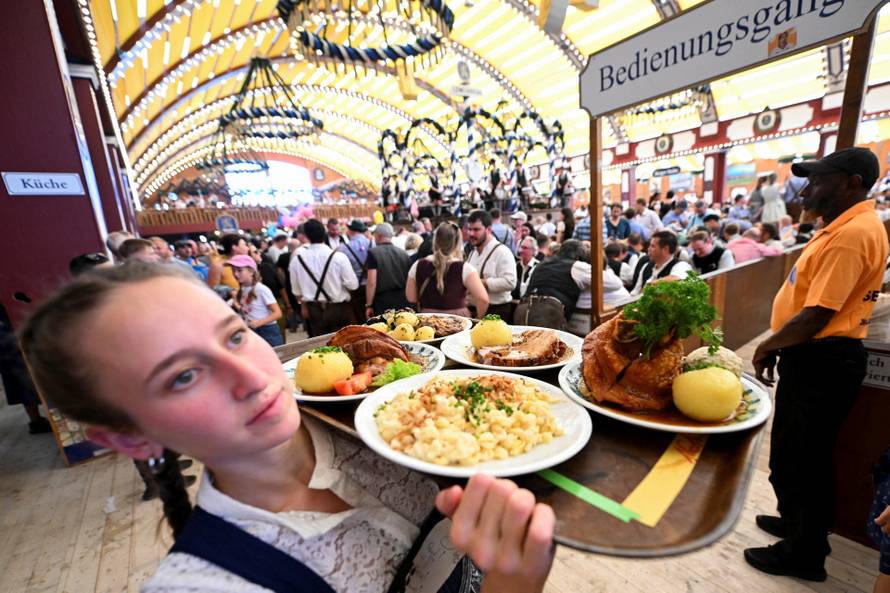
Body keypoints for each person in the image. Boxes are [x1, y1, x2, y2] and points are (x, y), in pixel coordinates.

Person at [19, 263, 556, 593]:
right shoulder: (211, 584)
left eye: (233, 337)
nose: (251, 375)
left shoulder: (385, 416)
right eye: (183, 376)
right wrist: (515, 584)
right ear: (129, 439)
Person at [745, 147, 889, 582]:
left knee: (802, 459)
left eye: (819, 180)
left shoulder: (852, 234)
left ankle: (803, 554)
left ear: (851, 183)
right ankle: (797, 525)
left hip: (822, 359)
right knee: (797, 454)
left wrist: (768, 345)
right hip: (818, 358)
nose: (807, 189)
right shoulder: (846, 227)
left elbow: (817, 314)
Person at [288, 219, 358, 337]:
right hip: (339, 309)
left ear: (306, 235)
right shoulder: (339, 257)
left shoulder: (296, 260)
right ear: (324, 232)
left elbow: (297, 292)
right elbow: (353, 285)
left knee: (321, 350)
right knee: (344, 347)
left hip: (314, 311)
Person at [407, 222, 488, 317]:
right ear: (457, 242)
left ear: (435, 240)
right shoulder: (465, 268)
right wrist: (478, 320)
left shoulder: (418, 265)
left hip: (428, 319)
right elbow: (483, 299)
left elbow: (411, 297)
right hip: (459, 321)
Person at [516, 240, 590, 331]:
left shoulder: (541, 264)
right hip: (547, 313)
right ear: (578, 257)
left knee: (523, 344)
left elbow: (524, 289)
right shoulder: (577, 266)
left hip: (522, 308)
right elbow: (610, 281)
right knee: (547, 344)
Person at [465, 210, 517, 320]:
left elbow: (510, 282)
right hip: (474, 310)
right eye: (469, 229)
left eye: (476, 229)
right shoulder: (473, 252)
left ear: (489, 229)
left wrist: (483, 283)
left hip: (497, 312)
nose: (471, 234)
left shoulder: (503, 252)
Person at [227, 255, 283, 347]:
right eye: (233, 270)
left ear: (251, 271)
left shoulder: (261, 289)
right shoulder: (243, 289)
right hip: (253, 330)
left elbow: (277, 313)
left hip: (267, 331)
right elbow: (250, 309)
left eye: (239, 270)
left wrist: (258, 323)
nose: (235, 274)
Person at [365, 223, 411, 317]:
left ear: (379, 235)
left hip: (383, 302)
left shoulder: (373, 253)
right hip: (403, 299)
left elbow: (371, 282)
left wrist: (369, 305)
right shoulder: (403, 253)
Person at [629, 231, 693, 295]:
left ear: (665, 249)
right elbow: (635, 293)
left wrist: (650, 286)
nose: (648, 249)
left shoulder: (681, 265)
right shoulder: (646, 266)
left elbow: (675, 279)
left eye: (652, 246)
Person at [340, 219, 372, 322]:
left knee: (359, 318)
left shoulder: (343, 248)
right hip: (371, 286)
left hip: (354, 289)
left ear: (350, 231)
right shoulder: (372, 243)